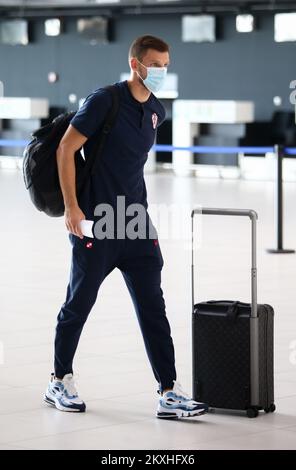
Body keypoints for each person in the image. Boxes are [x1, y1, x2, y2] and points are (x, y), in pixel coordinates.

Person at [44, 35, 208, 419]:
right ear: (136, 65)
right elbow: (65, 149)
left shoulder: (156, 111)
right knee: (78, 304)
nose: (162, 72)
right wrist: (72, 208)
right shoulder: (105, 100)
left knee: (154, 307)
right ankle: (59, 380)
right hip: (96, 223)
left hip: (135, 223)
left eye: (166, 65)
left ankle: (169, 391)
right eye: (156, 65)